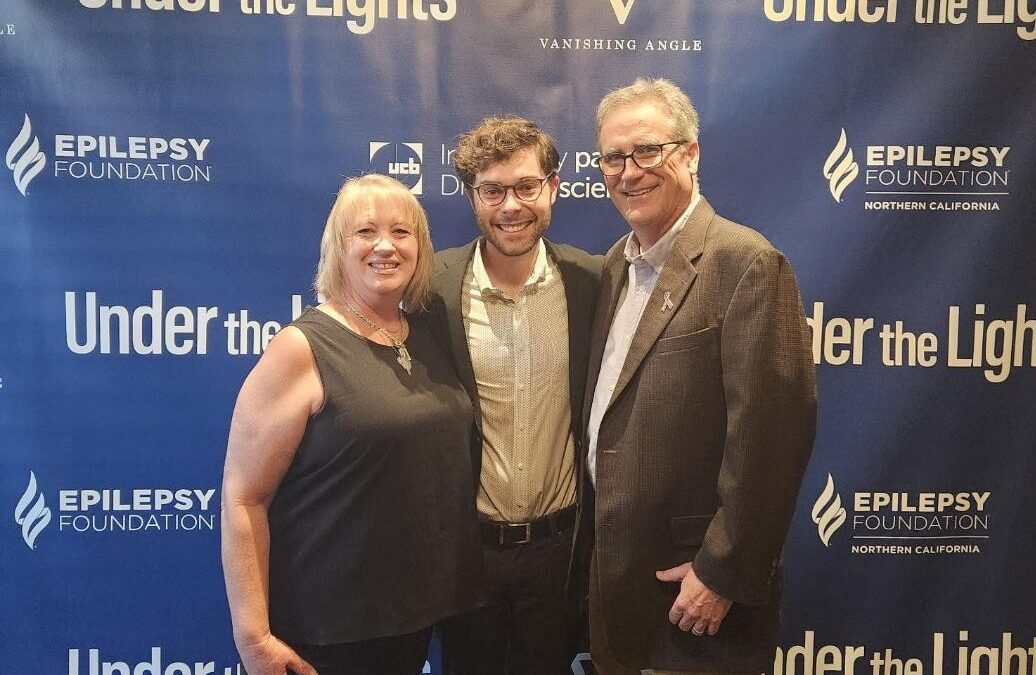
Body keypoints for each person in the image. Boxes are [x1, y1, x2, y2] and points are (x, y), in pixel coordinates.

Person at [580, 77, 817, 675]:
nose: (628, 171)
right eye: (613, 157)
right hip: (618, 586)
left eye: (648, 151)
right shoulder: (614, 264)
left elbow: (772, 438)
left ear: (690, 152)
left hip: (697, 592)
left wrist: (723, 571)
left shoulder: (746, 263)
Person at [220, 174, 484, 675]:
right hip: (328, 636)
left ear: (421, 249)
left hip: (411, 622)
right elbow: (242, 498)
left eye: (401, 232)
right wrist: (253, 638)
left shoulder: (427, 334)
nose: (385, 246)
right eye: (365, 232)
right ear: (337, 248)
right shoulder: (302, 348)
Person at [428, 115, 601, 675]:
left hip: (561, 551)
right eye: (493, 190)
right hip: (466, 553)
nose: (511, 206)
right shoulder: (431, 288)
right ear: (471, 196)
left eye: (526, 187)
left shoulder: (594, 282)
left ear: (553, 186)